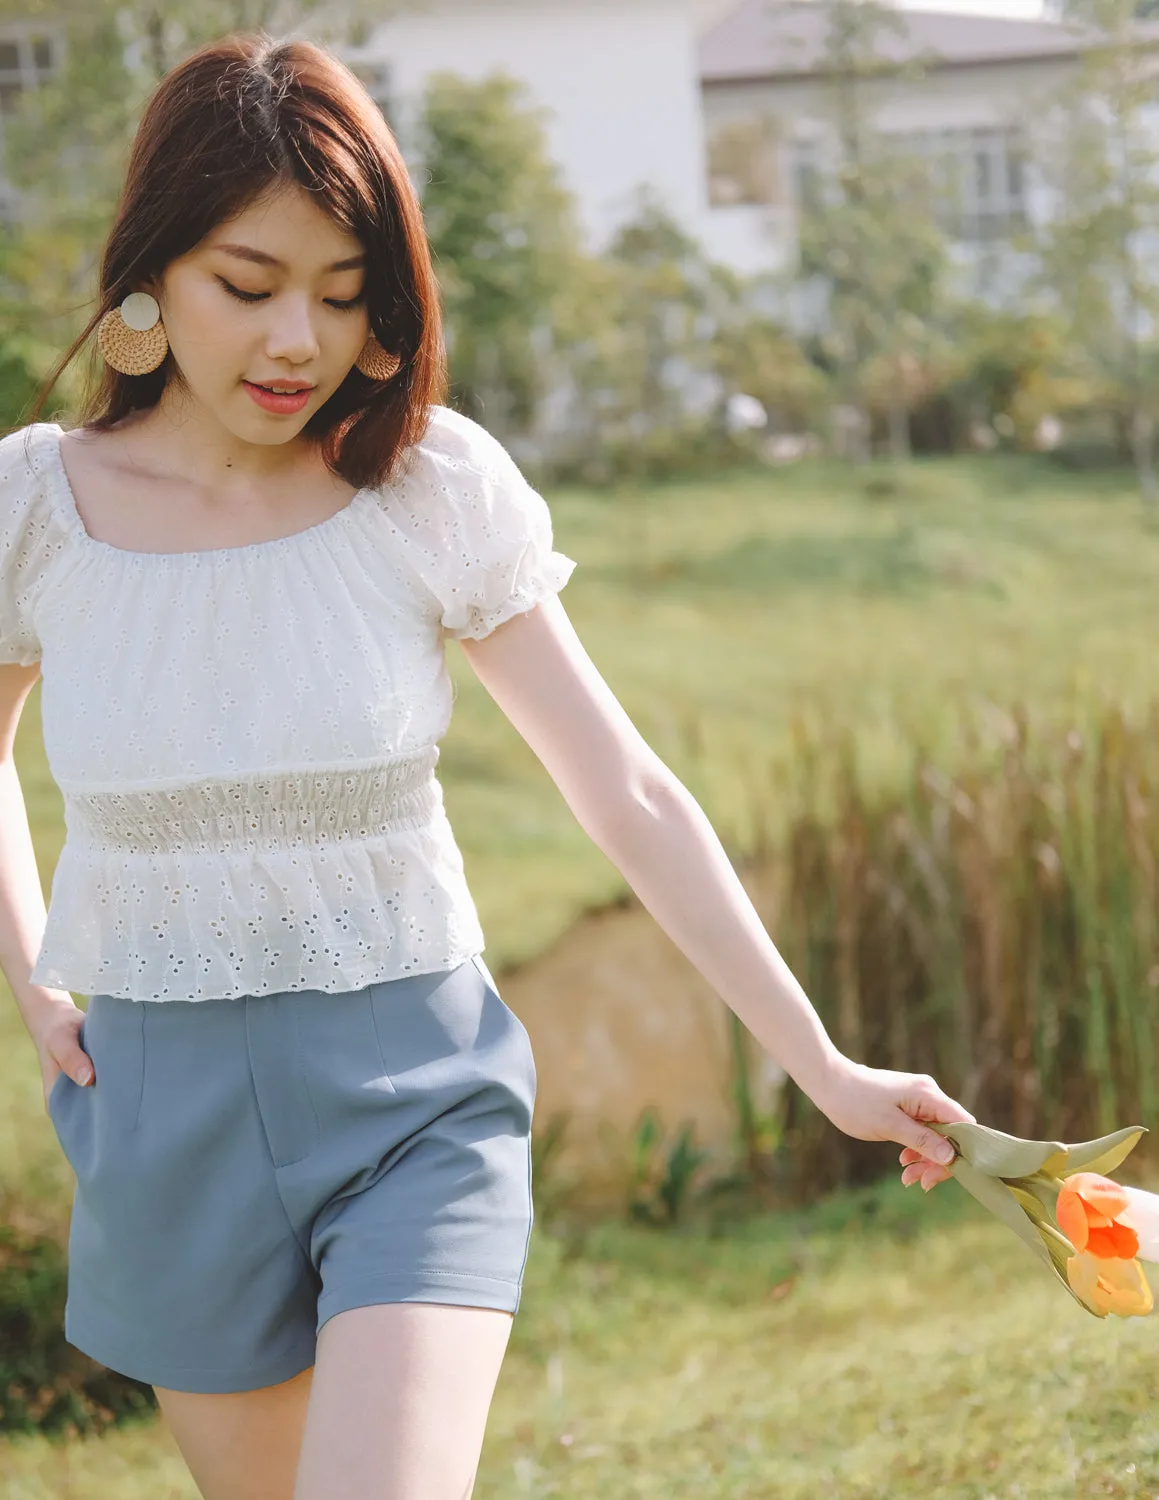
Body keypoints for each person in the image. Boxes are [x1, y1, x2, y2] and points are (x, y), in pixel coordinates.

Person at [0, 32, 974, 1500]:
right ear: (149, 270)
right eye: (246, 287)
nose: (295, 345)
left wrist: (819, 1065)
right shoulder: (36, 507)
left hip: (414, 1098)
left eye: (341, 296)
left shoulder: (425, 486)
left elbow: (624, 789)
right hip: (157, 1108)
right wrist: (29, 975)